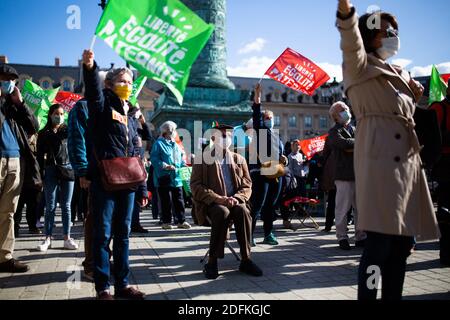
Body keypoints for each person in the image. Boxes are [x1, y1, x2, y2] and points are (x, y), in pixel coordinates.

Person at [336, 0, 440, 300]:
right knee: (378, 246)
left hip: (406, 167)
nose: (393, 33)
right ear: (369, 36)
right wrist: (346, 14)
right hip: (380, 163)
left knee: (402, 246)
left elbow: (405, 113)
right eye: (386, 30)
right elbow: (349, 40)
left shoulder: (399, 73)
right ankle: (367, 297)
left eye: (395, 29)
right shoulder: (359, 66)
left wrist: (414, 95)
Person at [82, 49, 148, 300]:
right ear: (109, 84)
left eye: (130, 82)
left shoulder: (131, 114)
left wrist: (142, 188)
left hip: (129, 182)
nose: (127, 86)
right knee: (102, 234)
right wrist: (90, 68)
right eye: (122, 81)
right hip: (105, 180)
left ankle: (122, 283)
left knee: (123, 235)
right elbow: (92, 92)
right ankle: (103, 287)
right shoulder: (101, 105)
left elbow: (136, 154)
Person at [190, 124, 263, 279]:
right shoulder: (202, 158)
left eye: (229, 135)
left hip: (235, 202)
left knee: (243, 210)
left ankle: (246, 259)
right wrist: (219, 199)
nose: (227, 138)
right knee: (221, 212)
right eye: (222, 135)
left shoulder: (239, 158)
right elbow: (196, 186)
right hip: (213, 204)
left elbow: (247, 184)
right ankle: (212, 261)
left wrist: (236, 199)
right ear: (213, 138)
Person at [0, 64, 39, 273]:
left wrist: (21, 103)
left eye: (11, 80)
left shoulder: (14, 105)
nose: (8, 83)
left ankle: (5, 257)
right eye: (4, 79)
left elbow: (34, 126)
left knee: (7, 212)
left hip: (14, 160)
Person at [36, 104, 78, 252]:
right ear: (50, 115)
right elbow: (39, 156)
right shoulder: (43, 133)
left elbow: (75, 146)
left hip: (67, 168)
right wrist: (39, 176)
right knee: (50, 206)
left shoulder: (68, 130)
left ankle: (67, 238)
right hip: (50, 169)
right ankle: (47, 238)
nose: (59, 116)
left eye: (61, 114)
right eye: (56, 113)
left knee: (66, 206)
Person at [249, 83, 287, 246]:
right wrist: (257, 94)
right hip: (261, 172)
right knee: (257, 204)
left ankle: (268, 233)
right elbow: (256, 110)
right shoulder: (260, 130)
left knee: (271, 206)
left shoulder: (276, 135)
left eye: (271, 119)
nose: (270, 121)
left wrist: (283, 158)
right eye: (267, 118)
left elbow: (279, 152)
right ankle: (248, 235)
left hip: (275, 173)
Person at [328, 101, 365, 250]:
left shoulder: (354, 128)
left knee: (360, 209)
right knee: (342, 209)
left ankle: (361, 236)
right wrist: (358, 143)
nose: (346, 111)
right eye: (342, 110)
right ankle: (342, 237)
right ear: (335, 116)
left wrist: (356, 144)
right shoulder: (333, 131)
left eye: (346, 109)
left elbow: (362, 142)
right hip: (343, 175)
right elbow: (343, 143)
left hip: (358, 173)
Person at [68, 98, 93, 280]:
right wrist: (82, 171)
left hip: (119, 173)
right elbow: (77, 139)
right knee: (95, 220)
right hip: (96, 171)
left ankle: (105, 260)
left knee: (114, 224)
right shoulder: (83, 106)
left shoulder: (121, 106)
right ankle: (92, 264)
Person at [150, 121, 191, 230]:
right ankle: (166, 222)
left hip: (176, 177)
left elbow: (180, 159)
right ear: (168, 131)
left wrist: (184, 165)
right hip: (164, 177)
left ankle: (181, 221)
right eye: (174, 130)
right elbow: (154, 159)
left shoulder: (176, 144)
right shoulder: (158, 144)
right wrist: (165, 166)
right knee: (166, 201)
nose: (175, 132)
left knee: (179, 200)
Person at [429, 80, 450, 266]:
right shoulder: (439, 108)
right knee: (445, 211)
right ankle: (446, 252)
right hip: (445, 163)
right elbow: (430, 135)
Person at [14, 133, 43, 236]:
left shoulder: (37, 138)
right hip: (20, 175)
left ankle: (32, 226)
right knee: (18, 205)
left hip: (33, 177)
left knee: (33, 204)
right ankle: (15, 228)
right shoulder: (18, 136)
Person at [131, 108, 152, 234]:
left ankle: (135, 223)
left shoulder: (136, 128)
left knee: (138, 196)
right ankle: (130, 223)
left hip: (138, 163)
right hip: (129, 163)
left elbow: (148, 136)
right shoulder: (127, 126)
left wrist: (143, 123)